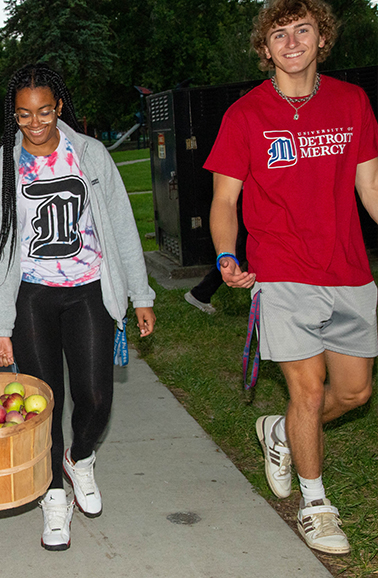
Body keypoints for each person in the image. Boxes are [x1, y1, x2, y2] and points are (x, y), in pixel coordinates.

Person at [206, 0, 378, 556]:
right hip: (279, 271)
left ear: (321, 38)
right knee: (306, 391)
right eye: (280, 33)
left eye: (303, 30)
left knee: (353, 392)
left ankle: (279, 434)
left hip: (349, 269)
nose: (293, 41)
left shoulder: (353, 103)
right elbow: (224, 198)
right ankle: (315, 503)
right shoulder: (246, 115)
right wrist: (227, 255)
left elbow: (370, 186)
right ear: (265, 48)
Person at [0, 63, 156, 551]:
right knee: (44, 402)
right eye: (23, 115)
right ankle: (53, 497)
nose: (35, 123)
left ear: (58, 107)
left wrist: (140, 294)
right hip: (32, 295)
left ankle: (79, 460)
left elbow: (121, 227)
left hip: (89, 289)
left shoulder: (90, 154)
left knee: (97, 397)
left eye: (44, 112)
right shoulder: (3, 167)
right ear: (12, 116)